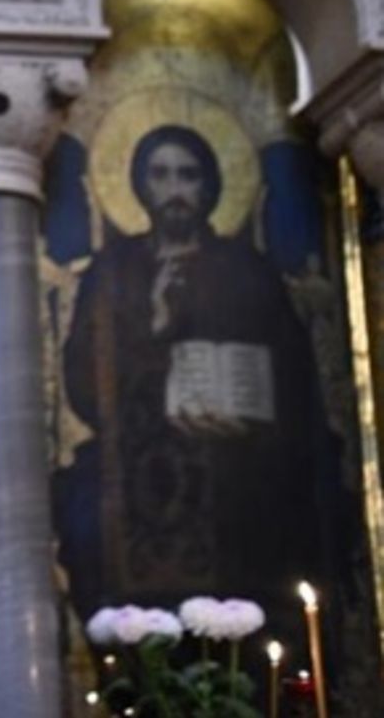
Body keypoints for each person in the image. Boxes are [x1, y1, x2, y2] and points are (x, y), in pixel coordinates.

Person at [56, 125, 324, 641]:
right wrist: (153, 325)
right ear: (140, 186)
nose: (175, 190)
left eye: (188, 175)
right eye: (161, 175)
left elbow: (294, 375)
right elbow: (81, 381)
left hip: (237, 465)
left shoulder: (246, 269)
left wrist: (253, 419)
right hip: (138, 468)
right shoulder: (113, 270)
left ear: (210, 186)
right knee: (83, 507)